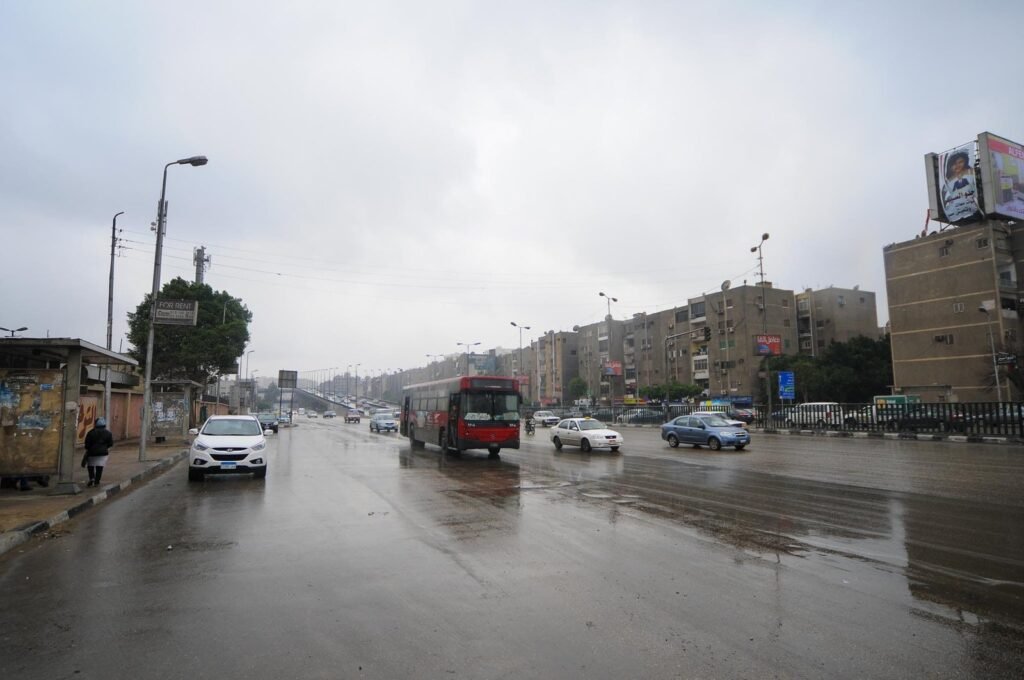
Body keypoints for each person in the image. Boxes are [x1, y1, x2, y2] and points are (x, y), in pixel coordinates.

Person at [83, 417, 114, 487]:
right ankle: (97, 481)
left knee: (90, 466)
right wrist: (104, 447)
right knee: (99, 467)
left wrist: (89, 449)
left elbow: (87, 444)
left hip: (92, 453)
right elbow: (111, 444)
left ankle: (92, 478)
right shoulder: (108, 433)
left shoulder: (91, 433)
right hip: (103, 453)